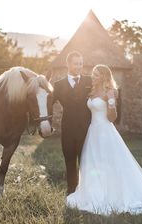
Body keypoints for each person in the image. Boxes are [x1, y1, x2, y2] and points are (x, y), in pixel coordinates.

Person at [66, 64, 142, 215]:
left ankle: (113, 195)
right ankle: (95, 193)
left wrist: (111, 102)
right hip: (93, 133)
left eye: (97, 74)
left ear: (104, 76)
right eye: (93, 74)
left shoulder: (109, 92)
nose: (93, 76)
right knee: (93, 164)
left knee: (110, 164)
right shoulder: (92, 91)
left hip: (105, 132)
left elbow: (112, 118)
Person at [52, 51, 92, 194]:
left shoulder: (90, 81)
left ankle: (86, 191)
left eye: (81, 63)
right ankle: (71, 191)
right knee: (69, 160)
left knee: (85, 161)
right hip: (67, 128)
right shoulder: (58, 85)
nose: (79, 66)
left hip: (87, 129)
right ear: (68, 64)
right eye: (76, 63)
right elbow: (48, 104)